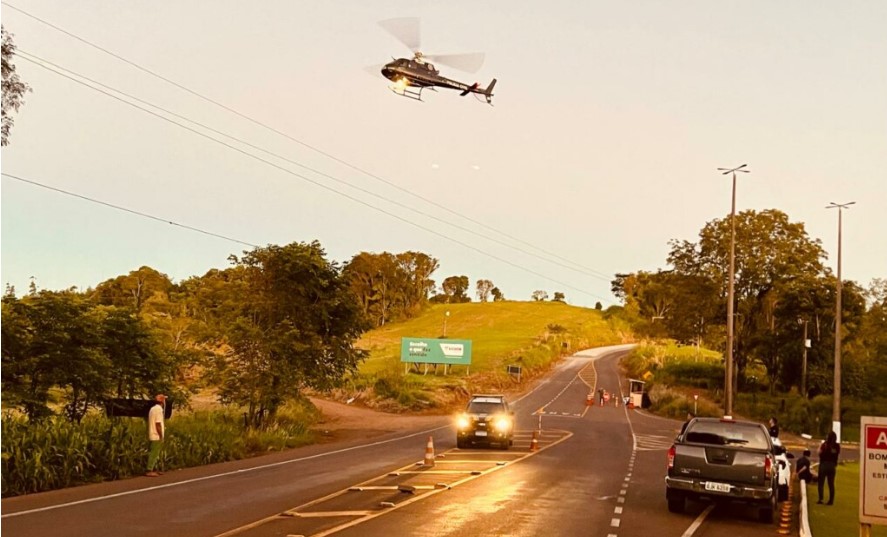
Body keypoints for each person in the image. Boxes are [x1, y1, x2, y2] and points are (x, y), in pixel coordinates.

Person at [146, 394, 166, 477]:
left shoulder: (152, 409)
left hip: (151, 433)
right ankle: (149, 470)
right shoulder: (159, 410)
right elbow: (158, 424)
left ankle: (154, 468)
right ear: (162, 401)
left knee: (155, 452)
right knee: (154, 453)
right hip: (156, 435)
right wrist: (161, 435)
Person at [817, 431, 840, 504]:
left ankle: (821, 499)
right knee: (831, 484)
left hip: (824, 464)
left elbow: (819, 453)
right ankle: (831, 500)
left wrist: (820, 445)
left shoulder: (825, 445)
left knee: (821, 483)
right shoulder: (837, 446)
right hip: (832, 465)